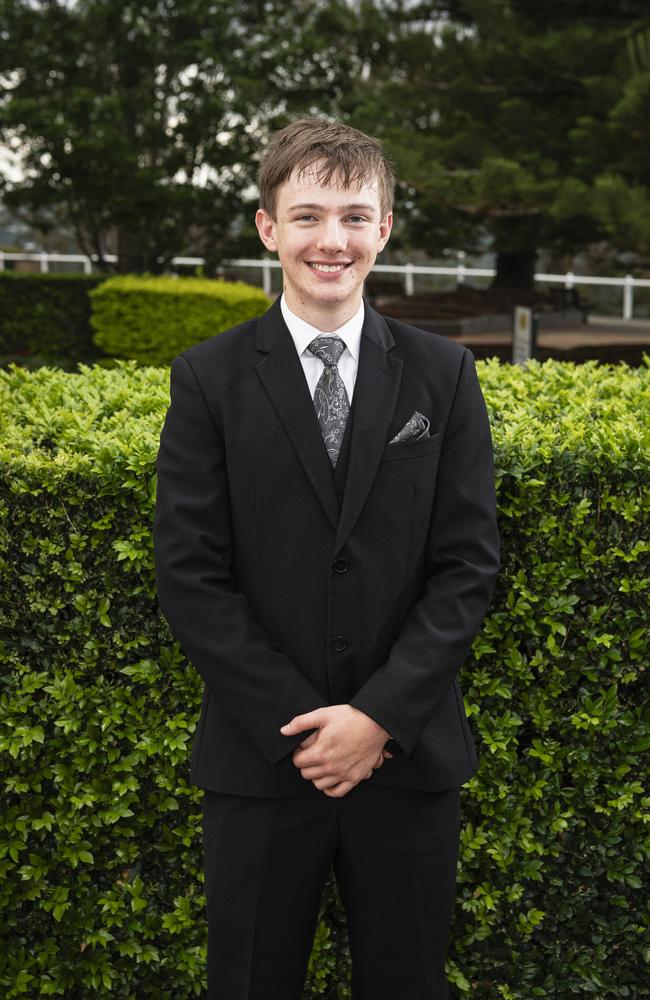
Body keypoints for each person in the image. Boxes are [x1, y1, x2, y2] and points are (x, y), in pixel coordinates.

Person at [153, 117, 500, 1000]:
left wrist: (376, 718)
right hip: (264, 763)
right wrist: (307, 727)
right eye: (307, 216)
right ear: (268, 228)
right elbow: (190, 575)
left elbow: (467, 568)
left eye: (354, 216)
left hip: (406, 762)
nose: (331, 240)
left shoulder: (445, 376)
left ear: (385, 229)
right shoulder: (207, 379)